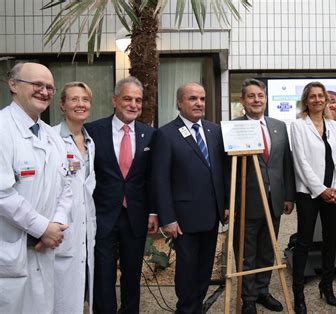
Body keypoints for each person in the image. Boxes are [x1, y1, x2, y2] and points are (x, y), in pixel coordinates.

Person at [0, 62, 72, 313]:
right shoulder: (2, 129)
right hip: (12, 249)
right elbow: (2, 193)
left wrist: (57, 225)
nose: (44, 91)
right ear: (13, 85)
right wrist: (42, 228)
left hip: (46, 246)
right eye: (37, 85)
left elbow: (67, 185)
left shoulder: (51, 135)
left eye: (49, 87)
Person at [85, 76, 158, 313]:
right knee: (103, 274)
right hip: (103, 215)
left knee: (132, 275)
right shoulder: (93, 131)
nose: (133, 104)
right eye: (127, 99)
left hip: (136, 216)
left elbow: (152, 178)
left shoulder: (150, 135)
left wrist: (154, 211)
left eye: (138, 100)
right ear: (115, 100)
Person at [155, 82, 229, 313]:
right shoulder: (165, 134)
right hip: (183, 220)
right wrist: (167, 218)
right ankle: (186, 308)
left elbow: (222, 171)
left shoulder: (215, 131)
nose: (199, 103)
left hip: (211, 216)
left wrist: (225, 205)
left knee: (205, 269)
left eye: (202, 99)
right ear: (179, 102)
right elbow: (161, 180)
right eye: (192, 98)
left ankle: (196, 307)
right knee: (187, 270)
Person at [233, 78, 295, 314]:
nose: (256, 100)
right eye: (251, 96)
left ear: (266, 98)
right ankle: (247, 297)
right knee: (246, 251)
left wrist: (289, 196)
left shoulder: (279, 125)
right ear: (243, 101)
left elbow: (285, 163)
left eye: (260, 95)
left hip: (275, 200)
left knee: (268, 249)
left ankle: (262, 290)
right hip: (247, 201)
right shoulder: (234, 127)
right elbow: (229, 169)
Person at [290, 82, 336, 313]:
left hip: (332, 192)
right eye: (312, 96)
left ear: (326, 99)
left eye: (320, 96)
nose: (317, 100)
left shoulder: (333, 125)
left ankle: (327, 286)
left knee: (330, 240)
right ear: (306, 100)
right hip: (309, 193)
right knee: (303, 242)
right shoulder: (298, 125)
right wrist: (321, 189)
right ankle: (299, 294)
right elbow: (301, 162)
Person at [53, 82, 96, 314]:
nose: (81, 104)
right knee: (59, 297)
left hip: (85, 230)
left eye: (85, 99)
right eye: (74, 99)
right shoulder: (51, 139)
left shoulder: (91, 143)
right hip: (61, 229)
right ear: (62, 105)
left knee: (80, 295)